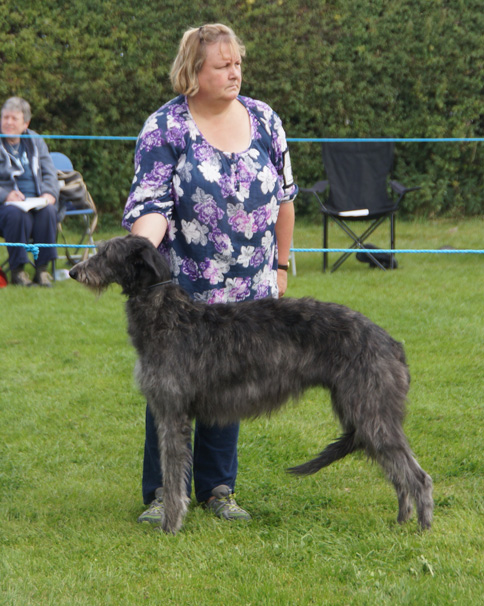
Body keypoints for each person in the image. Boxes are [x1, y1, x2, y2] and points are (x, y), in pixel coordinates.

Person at [122, 23, 297, 525]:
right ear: (193, 72)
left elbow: (285, 200)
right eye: (223, 65)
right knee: (171, 388)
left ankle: (219, 488)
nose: (234, 72)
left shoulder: (265, 120)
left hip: (250, 287)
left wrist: (281, 265)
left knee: (231, 385)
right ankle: (162, 492)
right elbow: (152, 202)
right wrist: (141, 248)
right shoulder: (165, 127)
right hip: (182, 289)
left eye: (237, 62)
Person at [0, 97, 59, 286]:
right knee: (17, 215)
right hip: (6, 206)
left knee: (49, 211)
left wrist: (49, 194)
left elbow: (50, 173)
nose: (8, 122)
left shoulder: (36, 141)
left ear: (25, 123)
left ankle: (41, 271)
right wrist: (6, 195)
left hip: (36, 201)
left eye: (13, 118)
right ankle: (18, 272)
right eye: (5, 117)